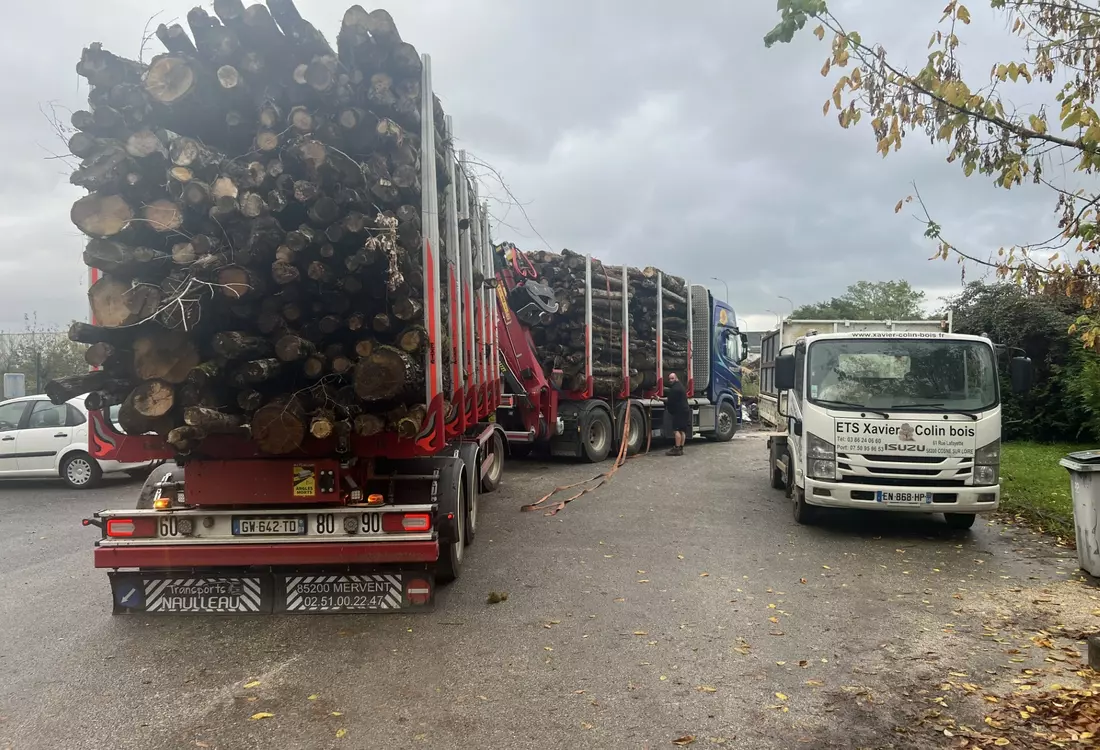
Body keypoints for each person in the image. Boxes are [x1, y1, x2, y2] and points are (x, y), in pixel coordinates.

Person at [664, 372, 690, 456]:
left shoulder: (675, 389)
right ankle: (681, 448)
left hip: (679, 412)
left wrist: (658, 399)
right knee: (683, 430)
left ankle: (677, 448)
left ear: (676, 378)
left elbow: (669, 400)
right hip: (685, 410)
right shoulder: (680, 386)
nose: (670, 380)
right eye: (669, 379)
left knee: (676, 430)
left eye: (672, 378)